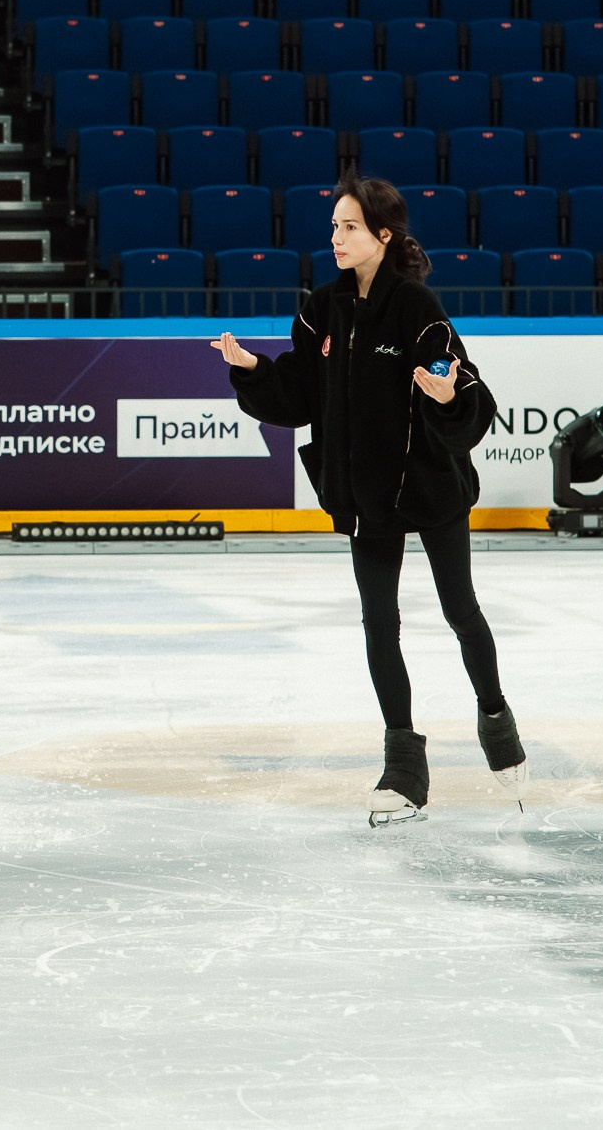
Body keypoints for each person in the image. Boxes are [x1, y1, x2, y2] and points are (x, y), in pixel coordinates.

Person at [214, 174, 524, 827]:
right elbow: (300, 393)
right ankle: (404, 766)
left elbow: (465, 386)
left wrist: (448, 397)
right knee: (378, 621)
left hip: (430, 485)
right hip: (366, 493)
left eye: (350, 226)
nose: (336, 237)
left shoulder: (416, 307)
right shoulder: (322, 308)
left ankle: (495, 718)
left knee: (460, 608)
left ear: (384, 235)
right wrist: (251, 370)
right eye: (333, 227)